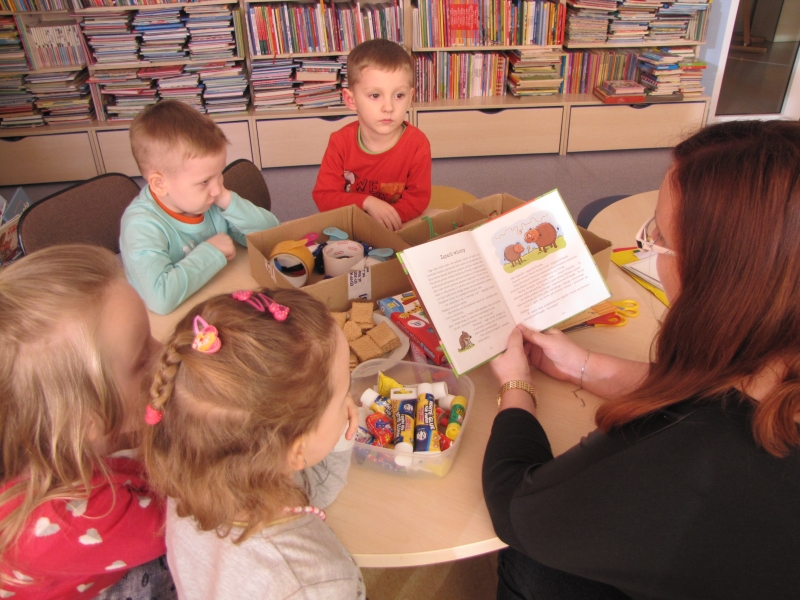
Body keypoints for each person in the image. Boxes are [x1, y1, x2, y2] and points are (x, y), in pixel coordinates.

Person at [483, 119, 800, 600]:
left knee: (526, 561)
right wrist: (585, 366)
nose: (650, 250)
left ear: (716, 275)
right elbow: (724, 396)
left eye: (660, 237)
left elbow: (517, 508)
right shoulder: (770, 371)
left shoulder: (688, 454)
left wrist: (515, 387)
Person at [142, 288, 365, 599]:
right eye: (343, 395)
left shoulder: (194, 478)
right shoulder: (315, 581)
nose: (348, 402)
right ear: (296, 449)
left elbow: (308, 489)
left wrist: (335, 427)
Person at [0, 245, 174, 600]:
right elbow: (201, 513)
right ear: (87, 420)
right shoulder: (79, 516)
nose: (166, 353)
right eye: (142, 358)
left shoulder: (66, 434)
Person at [120, 100, 280, 315]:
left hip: (217, 300)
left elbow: (271, 236)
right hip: (172, 319)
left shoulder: (210, 198)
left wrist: (228, 200)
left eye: (219, 174)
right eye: (204, 181)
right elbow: (161, 299)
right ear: (160, 184)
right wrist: (212, 251)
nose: (217, 189)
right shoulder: (141, 226)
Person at [312, 39, 432, 231]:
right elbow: (324, 197)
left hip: (395, 227)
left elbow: (418, 198)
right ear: (351, 100)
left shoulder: (418, 143)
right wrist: (367, 202)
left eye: (399, 96)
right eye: (375, 95)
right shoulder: (340, 142)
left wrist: (387, 220)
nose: (388, 107)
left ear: (410, 97)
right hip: (352, 227)